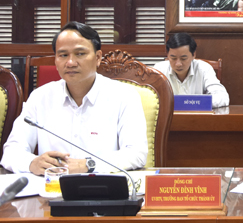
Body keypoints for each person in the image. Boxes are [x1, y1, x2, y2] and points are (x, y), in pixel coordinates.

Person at [1, 22, 148, 175]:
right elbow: (12, 151)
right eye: (63, 55)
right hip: (52, 190)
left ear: (98, 57)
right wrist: (32, 163)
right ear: (56, 61)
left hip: (102, 189)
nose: (70, 62)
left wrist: (89, 165)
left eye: (80, 54)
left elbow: (136, 153)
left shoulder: (124, 95)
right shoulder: (40, 97)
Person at [154, 33, 229, 108]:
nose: (178, 64)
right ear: (167, 55)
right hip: (168, 118)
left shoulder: (204, 68)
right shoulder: (159, 70)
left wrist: (192, 103)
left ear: (193, 55)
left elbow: (222, 97)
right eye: (173, 58)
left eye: (183, 58)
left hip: (197, 117)